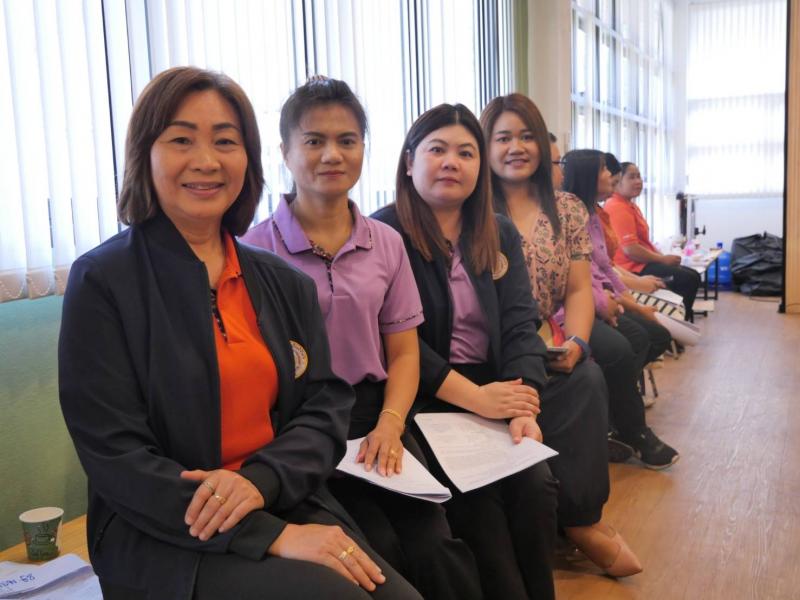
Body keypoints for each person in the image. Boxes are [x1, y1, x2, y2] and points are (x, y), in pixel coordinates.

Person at [58, 66, 421, 600]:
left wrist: (260, 483)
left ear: (247, 158)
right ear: (145, 154)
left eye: (225, 141)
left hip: (275, 497)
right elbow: (115, 454)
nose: (206, 160)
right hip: (165, 529)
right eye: (181, 140)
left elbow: (324, 410)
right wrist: (269, 536)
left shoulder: (282, 282)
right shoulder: (102, 281)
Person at [241, 77, 481, 600]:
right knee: (375, 552)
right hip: (298, 425)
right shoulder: (253, 250)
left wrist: (391, 424)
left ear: (363, 149)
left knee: (434, 544)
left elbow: (404, 352)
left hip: (377, 414)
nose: (332, 154)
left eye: (347, 140)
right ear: (284, 151)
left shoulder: (385, 242)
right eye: (314, 140)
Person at [480, 93, 641, 578]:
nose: (516, 147)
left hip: (541, 341)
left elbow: (577, 288)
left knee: (586, 379)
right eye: (503, 138)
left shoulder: (567, 208)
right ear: (485, 146)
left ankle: (580, 518)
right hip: (485, 350)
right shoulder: (471, 207)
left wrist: (578, 342)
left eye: (526, 136)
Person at [562, 149, 679, 468]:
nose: (612, 176)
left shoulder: (594, 213)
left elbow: (604, 267)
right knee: (625, 346)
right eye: (605, 170)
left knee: (652, 336)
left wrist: (628, 300)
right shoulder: (571, 213)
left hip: (600, 295)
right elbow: (582, 276)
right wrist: (612, 303)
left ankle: (615, 411)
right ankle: (630, 427)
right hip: (575, 305)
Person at [605, 161, 702, 320]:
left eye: (639, 177)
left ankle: (681, 321)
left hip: (641, 263)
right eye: (632, 177)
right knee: (688, 279)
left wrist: (663, 257)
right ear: (618, 181)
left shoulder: (630, 205)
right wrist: (662, 259)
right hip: (632, 268)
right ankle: (677, 324)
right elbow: (631, 250)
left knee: (693, 275)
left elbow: (644, 243)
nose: (638, 181)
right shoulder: (617, 207)